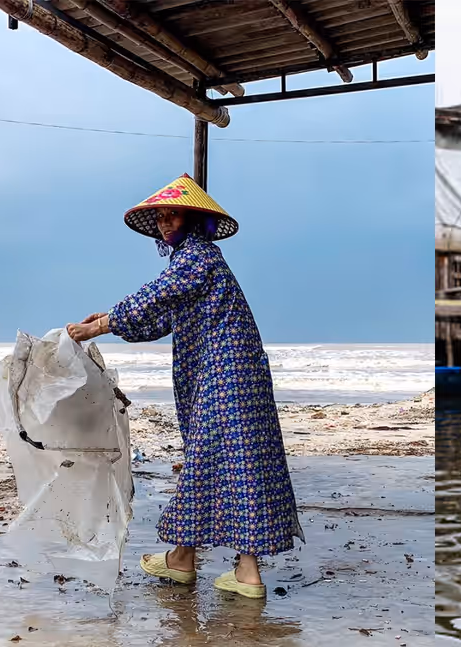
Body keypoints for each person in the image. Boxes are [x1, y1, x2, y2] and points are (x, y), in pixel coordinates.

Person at [66, 173, 303, 598]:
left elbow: (156, 295)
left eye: (172, 214)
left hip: (225, 372)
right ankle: (237, 569)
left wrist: (103, 324)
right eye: (160, 217)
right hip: (229, 372)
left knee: (209, 459)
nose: (165, 222)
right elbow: (158, 318)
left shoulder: (199, 257)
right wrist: (108, 320)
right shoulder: (190, 265)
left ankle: (185, 559)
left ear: (193, 220)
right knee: (235, 463)